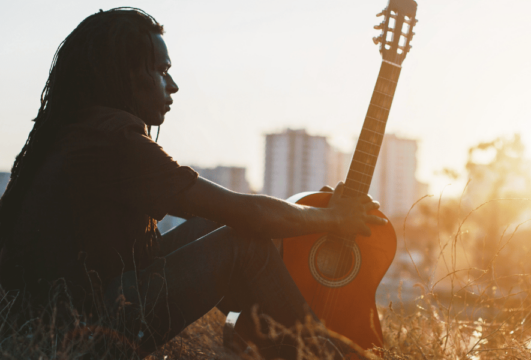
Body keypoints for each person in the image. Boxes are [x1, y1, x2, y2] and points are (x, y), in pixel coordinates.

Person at [0, 8, 387, 359]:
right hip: (79, 335)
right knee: (242, 241)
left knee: (216, 227)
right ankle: (320, 353)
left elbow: (228, 215)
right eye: (161, 70)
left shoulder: (81, 129)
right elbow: (247, 212)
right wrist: (333, 218)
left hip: (69, 316)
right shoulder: (113, 140)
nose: (173, 85)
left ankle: (279, 344)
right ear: (126, 74)